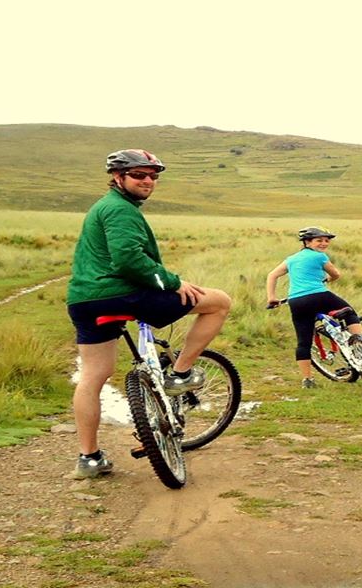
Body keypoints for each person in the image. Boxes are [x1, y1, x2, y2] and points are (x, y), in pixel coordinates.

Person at [66, 149, 232, 479]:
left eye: (153, 176)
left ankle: (90, 459)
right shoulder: (120, 210)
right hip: (121, 294)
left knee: (93, 376)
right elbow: (128, 259)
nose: (148, 181)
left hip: (84, 300)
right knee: (218, 302)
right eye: (139, 175)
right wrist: (171, 282)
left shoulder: (104, 207)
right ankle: (180, 374)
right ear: (118, 177)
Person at [266, 226, 362, 389]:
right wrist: (328, 279)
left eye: (326, 240)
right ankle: (361, 347)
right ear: (307, 242)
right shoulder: (320, 257)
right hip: (318, 295)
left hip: (296, 301)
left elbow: (272, 275)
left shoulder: (291, 259)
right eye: (319, 240)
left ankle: (307, 380)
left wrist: (272, 298)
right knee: (350, 313)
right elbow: (336, 274)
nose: (324, 243)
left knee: (303, 342)